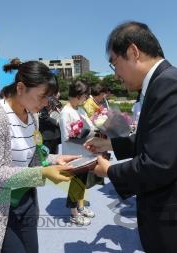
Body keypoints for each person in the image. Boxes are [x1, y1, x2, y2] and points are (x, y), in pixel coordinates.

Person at [84, 21, 177, 253]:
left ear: (133, 52)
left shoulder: (170, 85)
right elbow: (159, 139)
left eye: (115, 64)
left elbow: (159, 163)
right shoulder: (166, 82)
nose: (117, 75)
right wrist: (111, 143)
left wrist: (108, 170)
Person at [0, 59, 76, 253]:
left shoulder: (32, 116)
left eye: (49, 98)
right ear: (21, 88)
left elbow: (34, 155)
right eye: (42, 97)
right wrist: (44, 173)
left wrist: (56, 159)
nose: (46, 104)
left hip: (26, 202)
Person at [60, 80, 97, 226]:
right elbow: (67, 138)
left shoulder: (79, 109)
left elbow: (90, 125)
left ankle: (81, 207)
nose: (86, 99)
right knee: (75, 184)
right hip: (73, 155)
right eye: (85, 96)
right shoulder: (65, 112)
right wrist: (85, 139)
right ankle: (74, 214)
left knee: (82, 183)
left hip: (84, 154)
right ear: (78, 95)